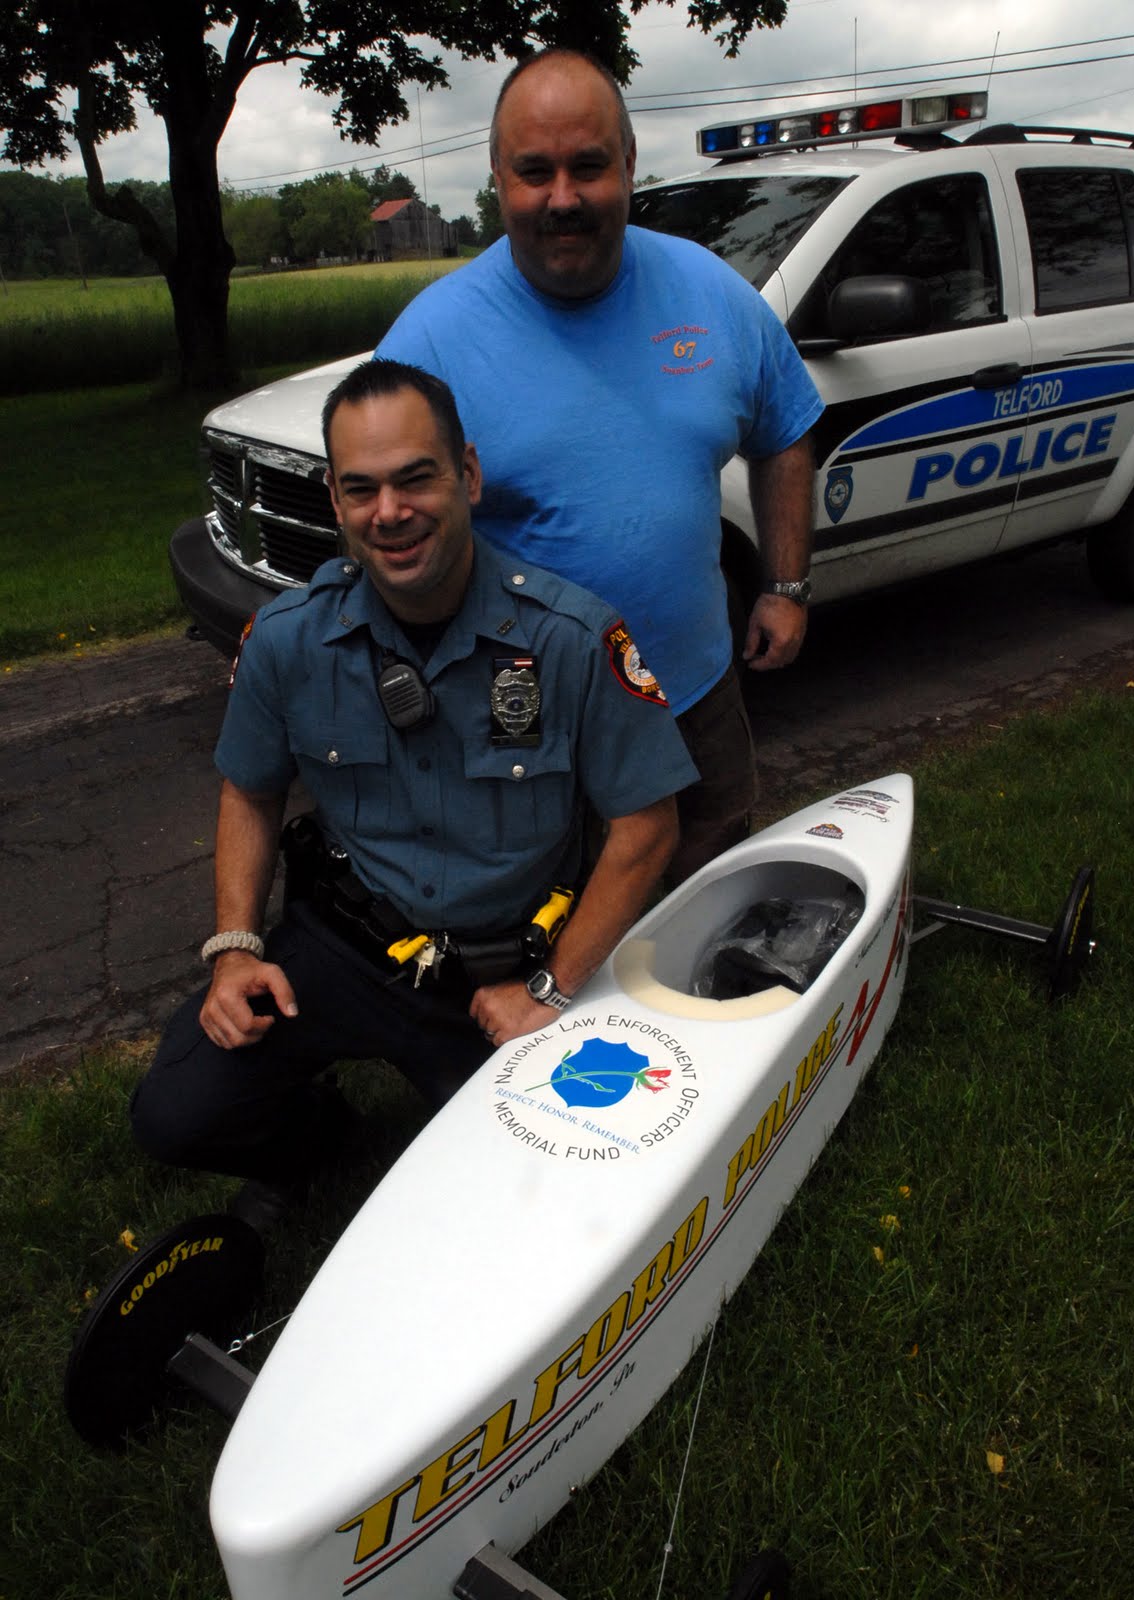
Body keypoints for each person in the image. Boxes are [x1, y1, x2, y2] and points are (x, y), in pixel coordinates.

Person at [130, 359, 697, 1202]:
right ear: (335, 501)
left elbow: (647, 828)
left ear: (466, 475)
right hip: (349, 947)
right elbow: (248, 791)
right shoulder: (287, 641)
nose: (389, 514)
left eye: (414, 480)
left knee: (537, 1193)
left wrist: (549, 991)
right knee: (175, 1115)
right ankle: (327, 1141)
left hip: (508, 967)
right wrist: (235, 951)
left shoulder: (571, 640)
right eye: (360, 490)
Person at [376, 48, 824, 884]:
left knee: (712, 871)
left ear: (627, 163)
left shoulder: (709, 290)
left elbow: (785, 427)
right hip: (525, 723)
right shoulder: (430, 342)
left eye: (588, 167)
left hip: (695, 690)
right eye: (532, 172)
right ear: (496, 179)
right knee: (553, 919)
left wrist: (784, 585)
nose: (562, 199)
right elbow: (378, 522)